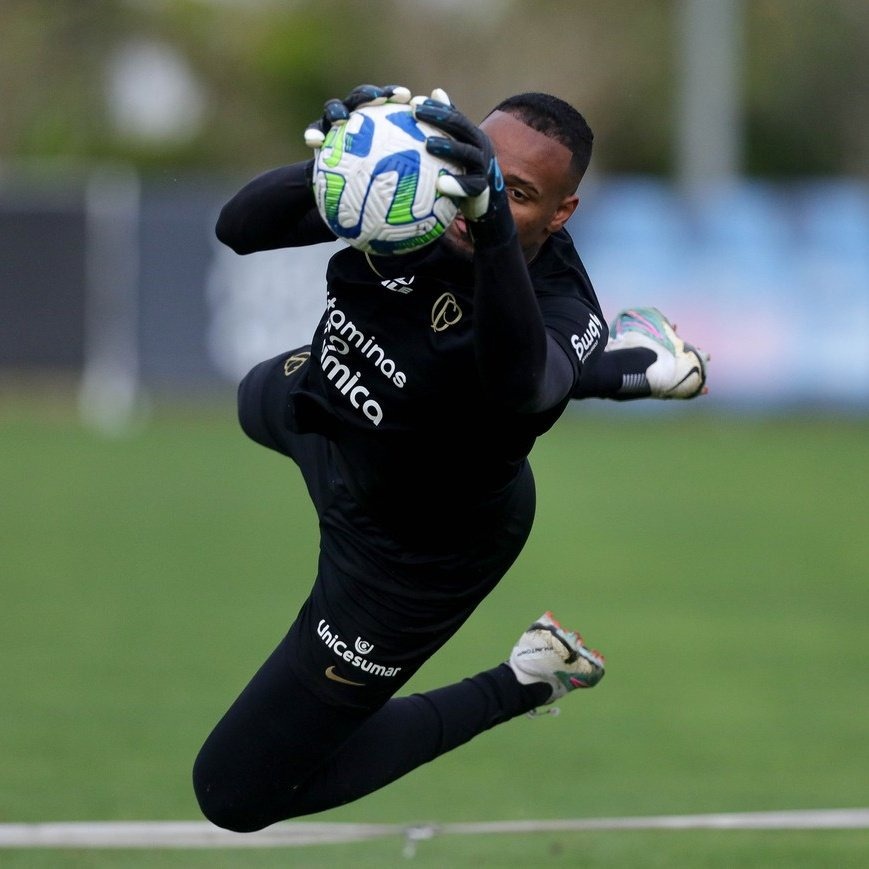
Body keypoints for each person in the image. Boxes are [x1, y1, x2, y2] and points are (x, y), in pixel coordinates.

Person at [192, 85, 707, 833]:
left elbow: (525, 388)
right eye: (479, 168)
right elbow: (237, 228)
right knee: (251, 399)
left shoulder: (560, 301)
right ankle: (637, 367)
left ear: (560, 212)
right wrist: (337, 164)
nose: (474, 198)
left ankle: (527, 677)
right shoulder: (417, 194)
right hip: (331, 412)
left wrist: (492, 222)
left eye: (514, 193)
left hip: (412, 553)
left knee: (234, 794)